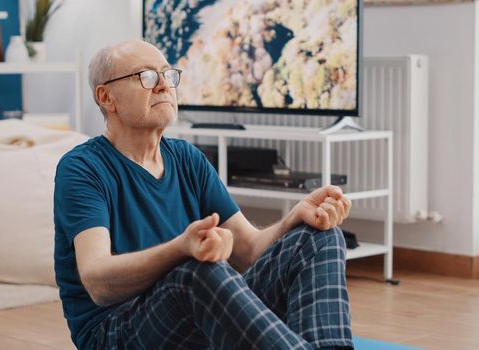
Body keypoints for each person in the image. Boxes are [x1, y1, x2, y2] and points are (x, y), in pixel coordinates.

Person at [54, 39, 353, 350]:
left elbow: (248, 249)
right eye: (146, 76)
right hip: (116, 331)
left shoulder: (187, 158)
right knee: (197, 271)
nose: (163, 86)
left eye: (167, 75)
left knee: (320, 237)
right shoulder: (82, 168)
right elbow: (98, 282)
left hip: (192, 313)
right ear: (106, 97)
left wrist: (295, 216)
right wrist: (182, 248)